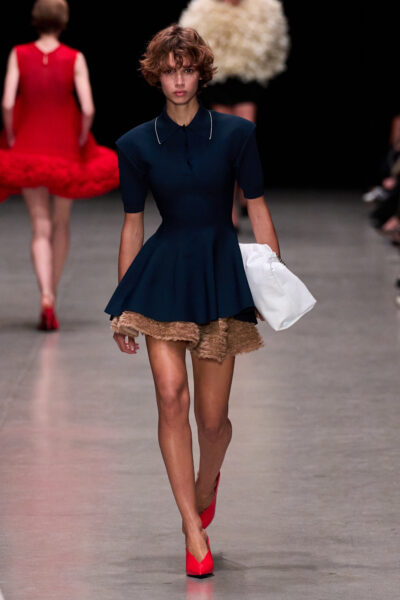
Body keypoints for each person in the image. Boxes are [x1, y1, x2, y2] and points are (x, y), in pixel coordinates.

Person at [105, 24, 281, 577]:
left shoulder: (236, 135)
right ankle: (191, 527)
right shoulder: (135, 145)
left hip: (218, 276)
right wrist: (123, 306)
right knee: (170, 397)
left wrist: (272, 280)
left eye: (186, 70)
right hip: (162, 279)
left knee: (212, 420)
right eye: (169, 71)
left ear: (201, 73)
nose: (178, 80)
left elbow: (257, 207)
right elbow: (132, 225)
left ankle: (206, 484)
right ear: (155, 76)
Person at [0, 0, 119, 330]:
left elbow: (7, 102)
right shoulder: (74, 57)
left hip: (27, 145)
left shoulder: (19, 54)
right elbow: (89, 108)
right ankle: (52, 295)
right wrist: (81, 136)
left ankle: (46, 295)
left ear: (35, 19)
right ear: (64, 22)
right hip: (64, 146)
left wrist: (12, 133)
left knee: (40, 226)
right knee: (61, 222)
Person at [179, 0, 289, 227]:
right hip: (218, 79)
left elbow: (277, 47)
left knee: (243, 140)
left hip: (249, 79)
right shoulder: (202, 9)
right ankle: (230, 206)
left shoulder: (265, 9)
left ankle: (242, 192)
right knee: (225, 143)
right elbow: (190, 46)